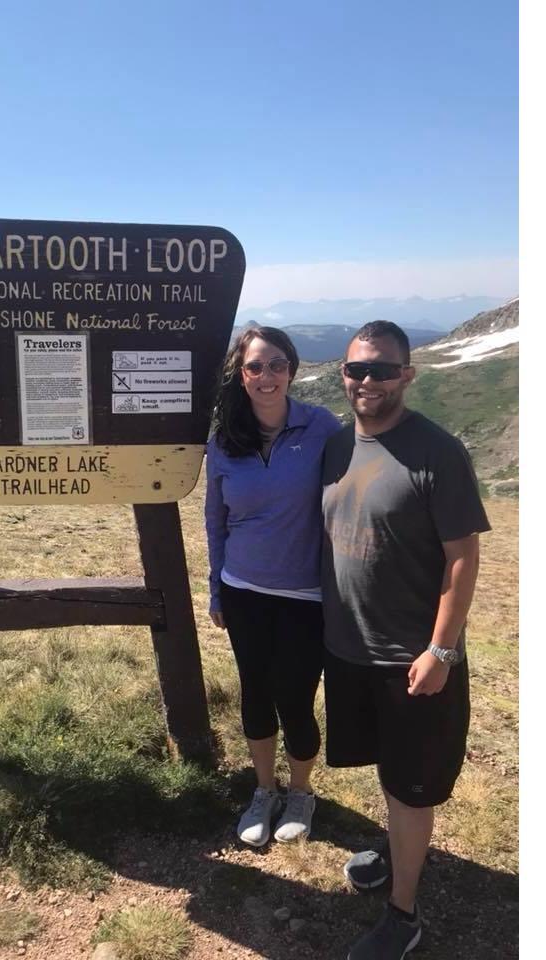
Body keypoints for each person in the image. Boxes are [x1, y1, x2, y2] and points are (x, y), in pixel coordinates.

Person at [320, 320, 491, 959]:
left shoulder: (438, 451)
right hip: (348, 650)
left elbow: (462, 559)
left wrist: (442, 650)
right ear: (344, 373)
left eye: (383, 370)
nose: (368, 381)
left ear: (407, 375)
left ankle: (403, 914)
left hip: (414, 659)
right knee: (388, 772)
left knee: (411, 786)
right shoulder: (336, 446)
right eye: (357, 369)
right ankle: (396, 855)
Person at [205, 325, 341, 846]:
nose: (267, 376)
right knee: (255, 693)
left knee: (296, 698)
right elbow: (215, 522)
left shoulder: (322, 426)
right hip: (243, 590)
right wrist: (217, 590)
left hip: (307, 596)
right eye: (256, 366)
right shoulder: (223, 440)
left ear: (293, 369)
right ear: (242, 375)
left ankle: (301, 793)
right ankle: (264, 791)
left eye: (277, 364)